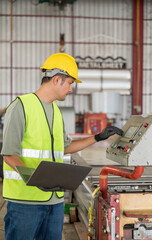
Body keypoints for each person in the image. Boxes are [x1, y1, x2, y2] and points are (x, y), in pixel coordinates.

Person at [1, 53, 123, 240]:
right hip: (26, 202)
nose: (71, 89)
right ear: (57, 79)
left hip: (54, 201)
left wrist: (98, 137)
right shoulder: (21, 106)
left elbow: (64, 147)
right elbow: (9, 154)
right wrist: (34, 178)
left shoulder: (56, 112)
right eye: (70, 83)